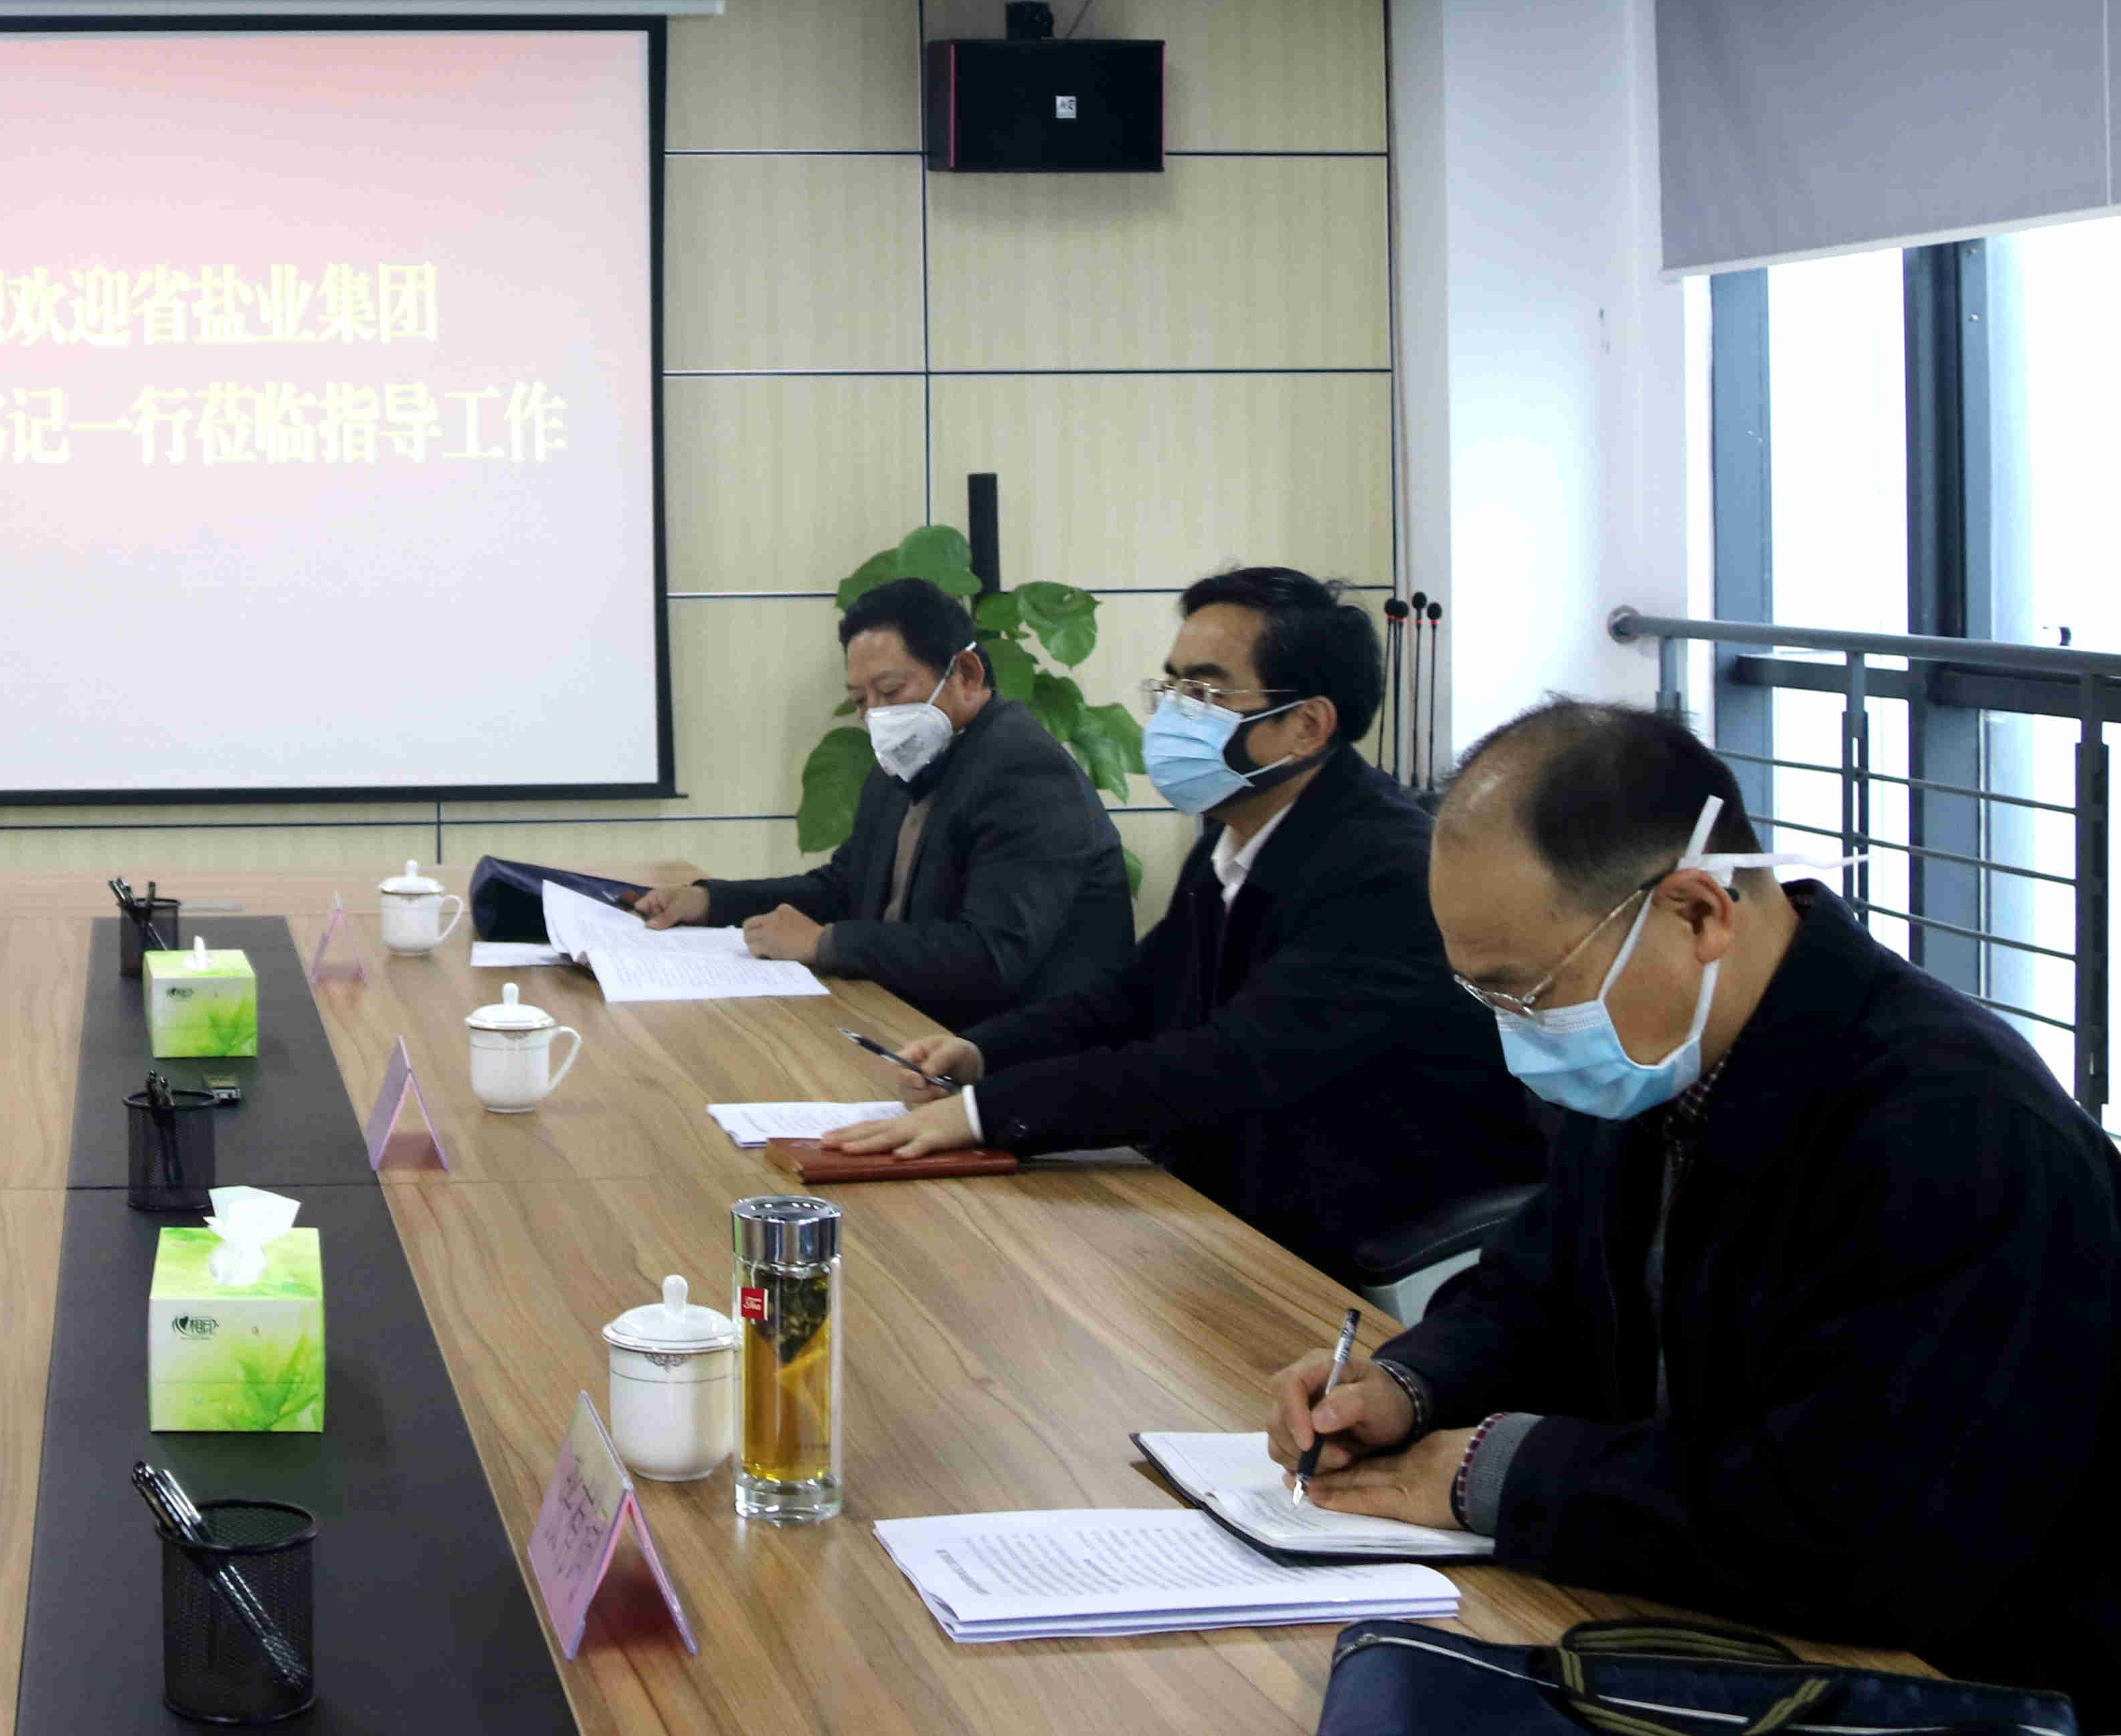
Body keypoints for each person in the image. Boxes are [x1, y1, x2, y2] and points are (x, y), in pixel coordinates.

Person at [1267, 701, 2121, 1713]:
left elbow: (1860, 1529)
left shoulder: (1954, 1131)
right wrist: (1409, 1385)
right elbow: (1539, 1289)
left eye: (1527, 992)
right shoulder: (1663, 1053)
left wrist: (1496, 1473)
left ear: (1696, 914)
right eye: (1482, 996)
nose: (1514, 1033)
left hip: (1964, 1686)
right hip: (1711, 1626)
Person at [825, 568, 1541, 1283]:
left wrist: (985, 1115)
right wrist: (983, 1053)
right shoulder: (1238, 831)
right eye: (1171, 687)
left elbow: (1225, 1062)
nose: (1173, 713)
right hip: (1233, 1193)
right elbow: (1136, 993)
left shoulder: (1383, 870)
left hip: (1357, 1229)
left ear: (1306, 726)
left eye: (1203, 692)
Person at [629, 578, 1131, 1025]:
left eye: (890, 691)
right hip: (904, 1021)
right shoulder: (910, 757)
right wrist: (712, 902)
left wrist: (823, 943)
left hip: (1011, 1057)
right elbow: (845, 887)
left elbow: (990, 956)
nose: (876, 716)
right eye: (860, 700)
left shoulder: (1026, 773)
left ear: (967, 673)